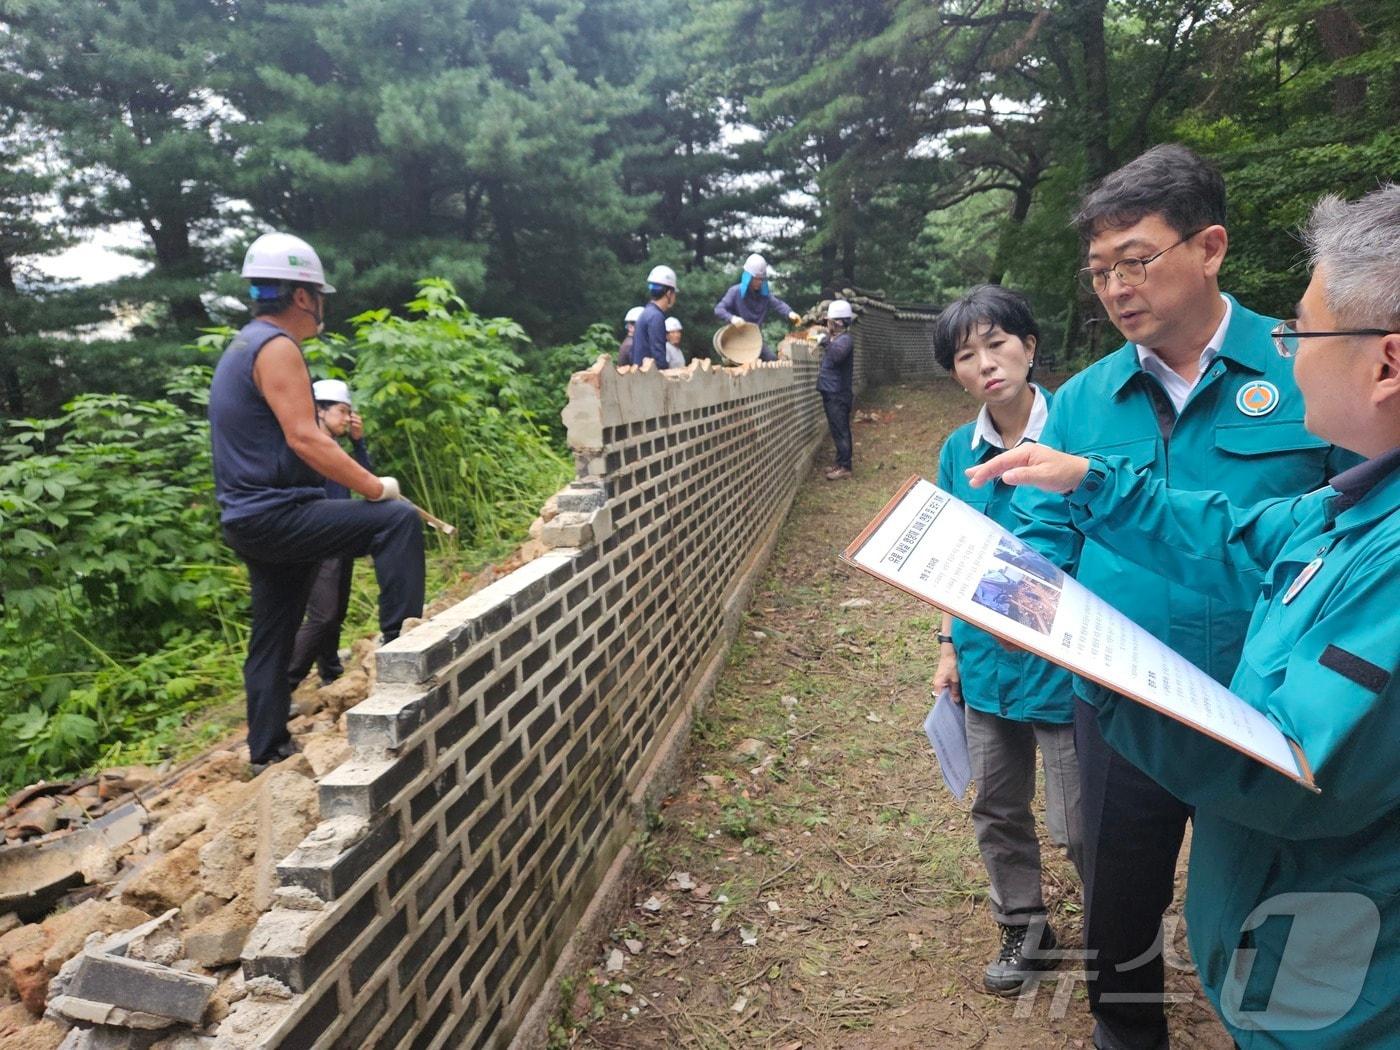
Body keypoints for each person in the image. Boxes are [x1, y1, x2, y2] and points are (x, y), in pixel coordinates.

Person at [969, 184, 1399, 1049]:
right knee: (1121, 883)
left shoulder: (1375, 538)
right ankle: (1127, 1029)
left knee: (1279, 894)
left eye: (1136, 259)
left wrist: (1115, 681)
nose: (1118, 286)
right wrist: (1081, 490)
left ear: (1208, 248)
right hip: (1147, 710)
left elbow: (1297, 771)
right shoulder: (1090, 401)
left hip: (1251, 716)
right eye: (1100, 272)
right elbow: (1248, 530)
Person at [209, 232, 425, 771]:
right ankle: (406, 657)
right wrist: (375, 488)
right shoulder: (277, 347)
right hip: (277, 513)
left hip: (248, 517)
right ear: (304, 296)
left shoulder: (242, 345)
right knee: (395, 521)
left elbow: (298, 438)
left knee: (273, 633)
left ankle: (268, 749)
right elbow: (305, 438)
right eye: (320, 296)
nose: (321, 306)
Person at [931, 285, 1084, 996]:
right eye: (967, 355)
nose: (987, 363)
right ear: (955, 373)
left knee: (1081, 819)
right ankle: (1025, 928)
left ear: (1028, 345)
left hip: (1069, 661)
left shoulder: (1080, 429)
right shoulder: (956, 451)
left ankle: (1121, 928)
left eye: (997, 343)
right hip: (986, 657)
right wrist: (946, 643)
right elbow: (944, 556)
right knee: (996, 802)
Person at [285, 379, 370, 690]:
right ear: (318, 411)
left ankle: (330, 673)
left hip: (341, 535)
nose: (347, 418)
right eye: (341, 411)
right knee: (322, 615)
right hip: (318, 540)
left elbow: (367, 481)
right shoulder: (306, 448)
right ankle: (285, 685)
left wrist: (359, 443)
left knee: (336, 612)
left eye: (349, 412)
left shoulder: (335, 449)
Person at [713, 253, 803, 362]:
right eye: (756, 279)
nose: (759, 282)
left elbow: (778, 304)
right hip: (736, 340)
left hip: (755, 340)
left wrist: (790, 313)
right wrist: (732, 318)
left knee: (772, 360)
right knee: (737, 366)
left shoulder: (764, 295)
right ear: (748, 277)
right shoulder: (735, 292)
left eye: (761, 279)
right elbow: (719, 309)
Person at [816, 299, 855, 480]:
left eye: (830, 320)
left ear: (838, 322)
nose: (827, 324)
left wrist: (825, 342)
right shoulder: (837, 339)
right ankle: (839, 462)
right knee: (836, 429)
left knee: (841, 430)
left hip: (838, 393)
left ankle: (845, 467)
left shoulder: (845, 340)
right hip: (831, 392)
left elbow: (836, 356)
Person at [628, 265, 677, 370]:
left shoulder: (645, 313)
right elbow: (658, 355)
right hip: (650, 380)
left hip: (640, 376)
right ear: (669, 293)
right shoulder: (656, 317)